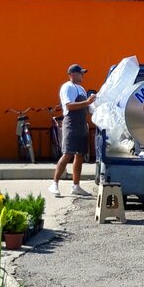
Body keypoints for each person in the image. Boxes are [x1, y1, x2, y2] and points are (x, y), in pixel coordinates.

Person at [49, 64, 96, 197]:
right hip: (71, 124)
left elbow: (87, 107)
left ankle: (76, 186)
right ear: (72, 74)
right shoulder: (67, 87)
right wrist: (87, 102)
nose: (83, 75)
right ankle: (55, 184)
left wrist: (95, 105)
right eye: (80, 73)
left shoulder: (81, 88)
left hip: (81, 124)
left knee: (79, 155)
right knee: (67, 153)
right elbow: (69, 106)